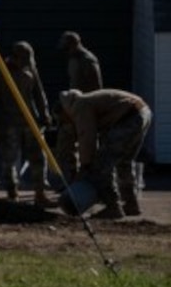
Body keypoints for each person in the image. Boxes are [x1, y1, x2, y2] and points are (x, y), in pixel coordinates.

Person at [54, 88, 151, 219]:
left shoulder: (80, 106)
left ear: (64, 112)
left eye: (63, 121)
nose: (66, 124)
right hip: (141, 113)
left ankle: (113, 207)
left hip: (129, 118)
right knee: (124, 163)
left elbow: (87, 138)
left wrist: (85, 166)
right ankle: (131, 204)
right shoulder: (88, 101)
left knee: (102, 165)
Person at [0, 42, 51, 207]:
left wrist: (44, 113)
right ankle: (12, 194)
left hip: (31, 122)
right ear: (14, 58)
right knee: (9, 161)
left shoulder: (30, 69)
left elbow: (39, 93)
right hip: (9, 124)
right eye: (22, 60)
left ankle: (40, 193)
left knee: (39, 157)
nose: (25, 63)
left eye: (27, 61)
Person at [58, 31, 103, 95]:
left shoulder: (88, 60)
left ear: (74, 44)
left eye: (67, 49)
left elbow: (96, 86)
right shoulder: (72, 59)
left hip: (87, 99)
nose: (66, 53)